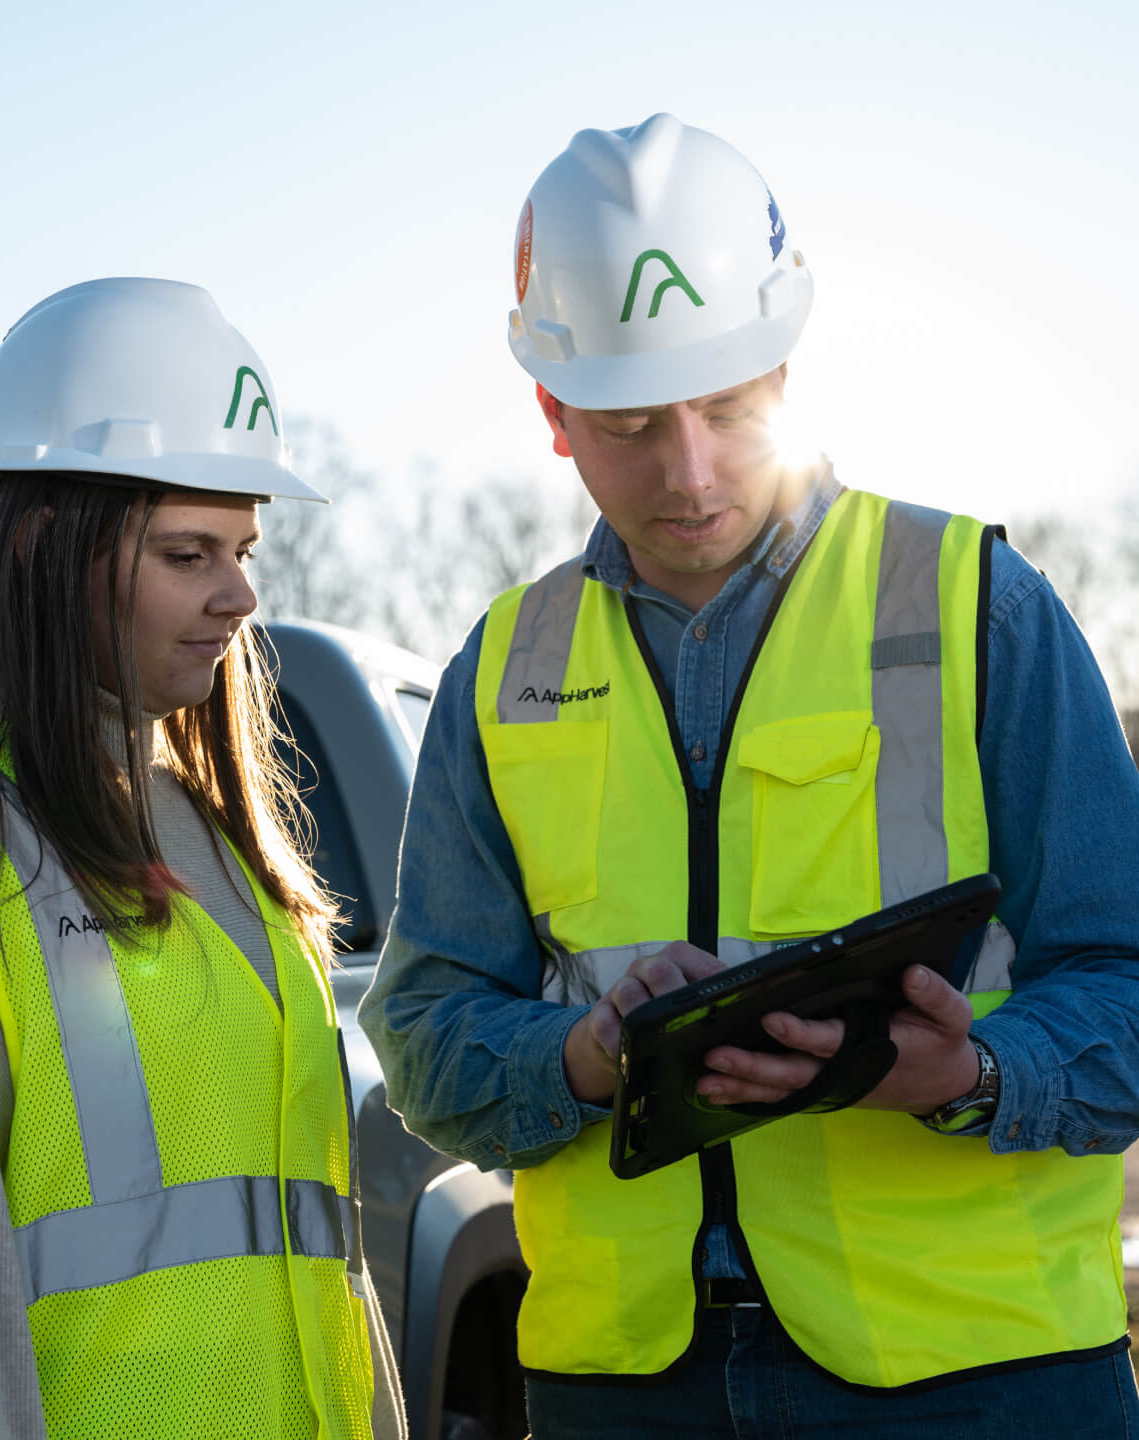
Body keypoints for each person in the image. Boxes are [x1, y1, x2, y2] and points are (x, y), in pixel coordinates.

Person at [358, 114, 1139, 1436]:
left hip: (983, 1384)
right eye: (633, 423)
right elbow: (426, 1036)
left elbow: (1123, 979)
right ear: (552, 412)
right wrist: (594, 1057)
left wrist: (975, 1074)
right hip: (625, 1391)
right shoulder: (503, 669)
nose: (692, 470)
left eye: (728, 406)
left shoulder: (978, 611)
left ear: (786, 363)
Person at [0, 277, 405, 1440]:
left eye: (243, 547)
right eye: (186, 552)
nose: (240, 593)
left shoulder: (221, 844)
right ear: (49, 550)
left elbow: (324, 1272)